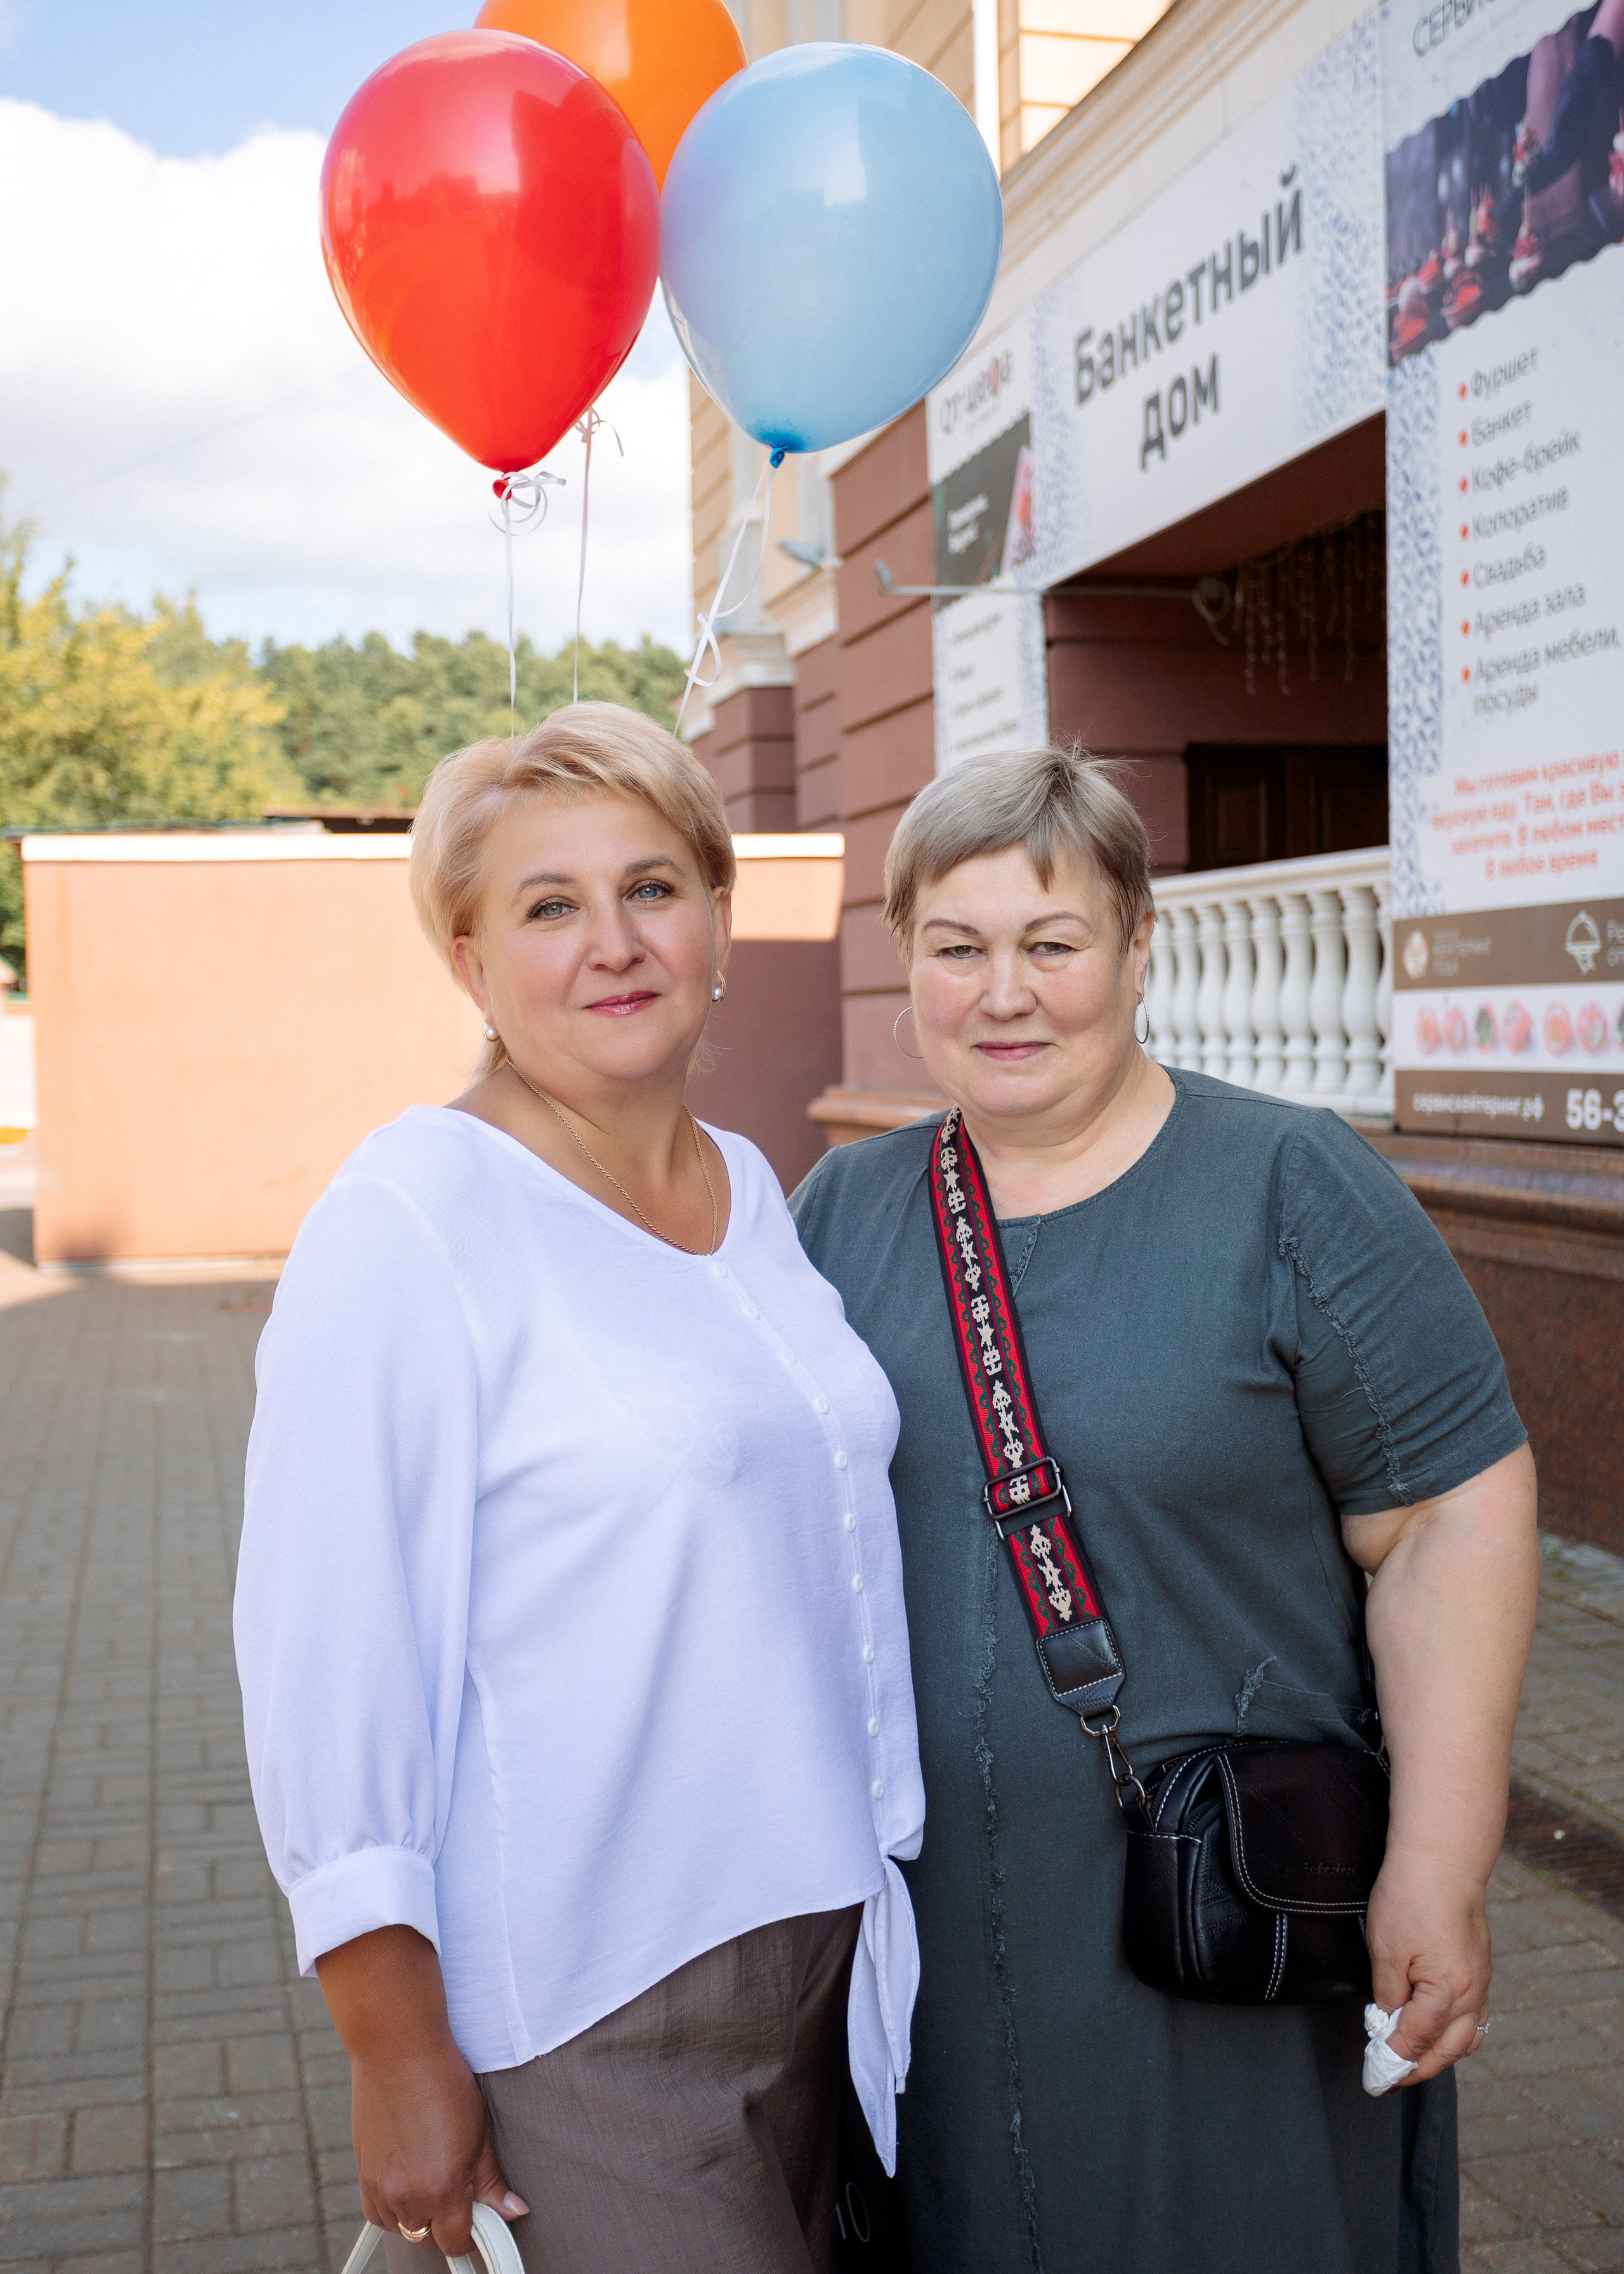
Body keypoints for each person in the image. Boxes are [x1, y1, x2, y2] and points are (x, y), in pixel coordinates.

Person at [790, 745, 1538, 2274]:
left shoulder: (1286, 1185)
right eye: (958, 947)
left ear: (1135, 948)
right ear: (907, 961)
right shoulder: (840, 1215)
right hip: (927, 1942)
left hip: (1220, 1915)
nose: (1004, 993)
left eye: (1050, 945)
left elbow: (1447, 1516)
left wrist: (1438, 1864)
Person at [233, 703, 924, 2274]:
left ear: (717, 924)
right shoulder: (412, 1216)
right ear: (470, 964)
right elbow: (328, 1648)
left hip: (824, 1954)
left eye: (654, 888)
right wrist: (393, 2046)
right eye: (548, 907)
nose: (612, 943)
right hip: (594, 1997)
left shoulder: (749, 1188)